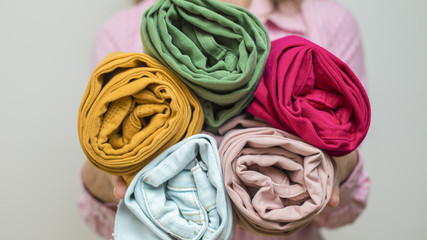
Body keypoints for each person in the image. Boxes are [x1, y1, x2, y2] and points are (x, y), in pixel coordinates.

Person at [79, 0, 371, 239]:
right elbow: (105, 222)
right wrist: (113, 169)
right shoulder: (123, 29)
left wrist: (335, 164)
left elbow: (347, 206)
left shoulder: (330, 22)